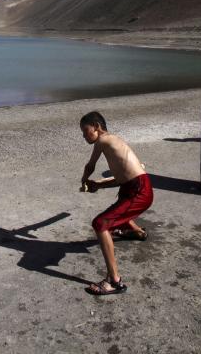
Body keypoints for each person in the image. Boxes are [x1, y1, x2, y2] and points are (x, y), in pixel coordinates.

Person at [79, 111, 153, 296]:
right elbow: (122, 179)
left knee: (100, 224)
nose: (83, 135)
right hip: (136, 187)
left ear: (96, 126)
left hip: (139, 191)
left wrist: (84, 179)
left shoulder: (102, 140)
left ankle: (114, 281)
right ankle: (137, 232)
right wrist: (97, 185)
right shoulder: (114, 141)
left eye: (85, 130)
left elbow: (90, 165)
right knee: (119, 205)